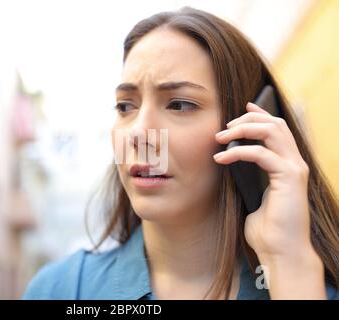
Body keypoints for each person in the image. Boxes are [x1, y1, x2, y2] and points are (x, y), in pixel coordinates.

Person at [23, 6, 339, 300]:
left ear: (250, 132)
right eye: (125, 106)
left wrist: (288, 264)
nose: (138, 133)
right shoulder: (59, 290)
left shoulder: (305, 285)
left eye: (179, 104)